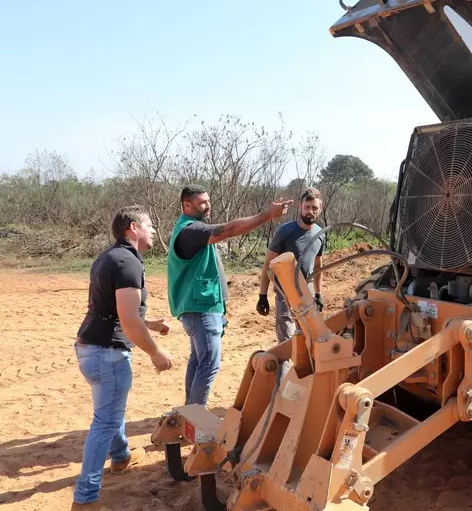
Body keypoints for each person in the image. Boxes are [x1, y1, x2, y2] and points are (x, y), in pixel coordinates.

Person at [72, 206, 174, 511]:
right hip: (107, 354)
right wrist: (155, 351)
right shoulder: (128, 262)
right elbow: (128, 321)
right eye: (149, 225)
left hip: (90, 348)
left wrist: (152, 323)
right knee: (105, 421)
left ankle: (121, 457)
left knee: (110, 409)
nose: (154, 230)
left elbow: (114, 311)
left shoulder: (108, 257)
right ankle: (85, 500)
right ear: (133, 227)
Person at [168, 185, 292, 407]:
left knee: (198, 361)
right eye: (202, 203)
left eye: (208, 201)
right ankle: (196, 421)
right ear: (186, 205)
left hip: (199, 307)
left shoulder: (190, 229)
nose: (208, 206)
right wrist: (267, 215)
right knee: (208, 365)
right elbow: (229, 230)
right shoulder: (190, 230)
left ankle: (188, 414)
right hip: (201, 309)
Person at [257, 187, 325, 342]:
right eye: (307, 207)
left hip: (307, 294)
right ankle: (284, 367)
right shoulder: (284, 231)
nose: (310, 211)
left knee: (308, 338)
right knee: (287, 342)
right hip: (285, 294)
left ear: (320, 209)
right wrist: (262, 295)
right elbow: (268, 265)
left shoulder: (320, 234)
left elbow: (318, 265)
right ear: (300, 206)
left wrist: (319, 294)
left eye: (314, 208)